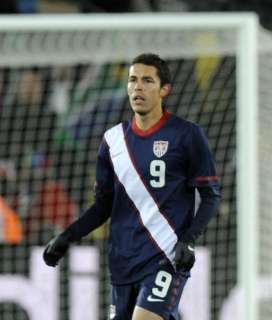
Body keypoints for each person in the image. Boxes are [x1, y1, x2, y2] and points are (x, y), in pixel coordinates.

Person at [43, 53, 221, 320]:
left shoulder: (186, 134)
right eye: (133, 80)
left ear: (164, 90)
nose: (138, 87)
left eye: (147, 80)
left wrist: (188, 240)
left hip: (166, 255)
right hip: (123, 260)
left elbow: (210, 196)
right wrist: (67, 237)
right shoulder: (112, 140)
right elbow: (103, 206)